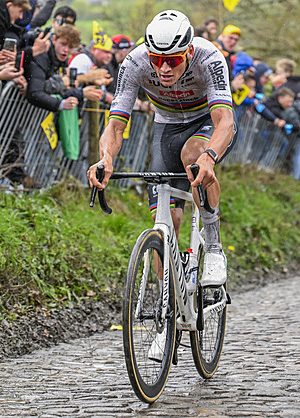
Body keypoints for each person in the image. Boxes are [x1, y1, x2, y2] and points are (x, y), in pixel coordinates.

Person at [87, 10, 236, 294]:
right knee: (165, 222)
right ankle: (166, 311)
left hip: (205, 123)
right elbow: (116, 125)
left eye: (172, 60)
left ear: (189, 52)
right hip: (166, 127)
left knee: (193, 157)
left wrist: (209, 157)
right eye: (157, 60)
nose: (164, 69)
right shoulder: (135, 62)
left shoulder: (209, 57)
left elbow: (224, 122)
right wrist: (105, 158)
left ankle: (214, 247)